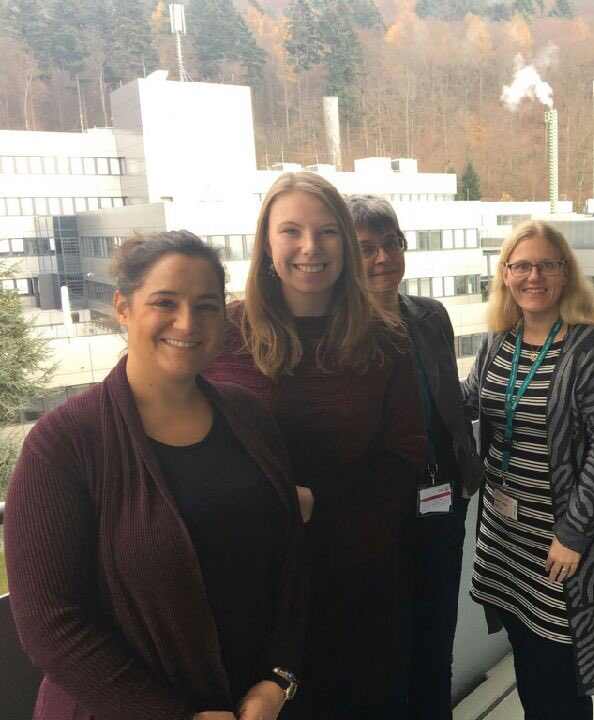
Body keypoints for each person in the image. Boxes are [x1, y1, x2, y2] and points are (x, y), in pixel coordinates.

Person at [4, 231, 304, 720]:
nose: (187, 323)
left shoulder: (251, 418)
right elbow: (50, 625)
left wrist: (278, 679)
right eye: (165, 302)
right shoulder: (63, 444)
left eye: (206, 306)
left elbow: (290, 570)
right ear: (123, 308)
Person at [204, 172, 426, 719]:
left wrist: (315, 499)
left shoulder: (385, 338)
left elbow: (406, 459)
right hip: (250, 583)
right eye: (291, 231)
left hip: (356, 580)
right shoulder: (222, 334)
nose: (311, 247)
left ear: (345, 244)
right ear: (266, 243)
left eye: (327, 231)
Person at [462, 220, 594, 719]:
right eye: (521, 265)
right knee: (528, 660)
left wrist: (573, 534)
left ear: (565, 273)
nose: (533, 276)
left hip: (561, 541)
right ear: (505, 274)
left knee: (562, 672)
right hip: (506, 537)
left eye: (546, 265)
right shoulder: (500, 340)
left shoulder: (591, 347)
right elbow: (470, 399)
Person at [345, 194, 484, 719]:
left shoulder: (431, 316)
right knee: (390, 650)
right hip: (380, 511)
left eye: (392, 243)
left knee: (437, 641)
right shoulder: (338, 331)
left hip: (443, 499)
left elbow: (450, 398)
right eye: (366, 248)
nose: (383, 258)